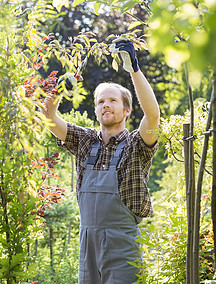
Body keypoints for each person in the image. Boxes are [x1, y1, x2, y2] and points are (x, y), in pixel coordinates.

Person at [43, 38, 160, 283]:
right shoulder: (85, 141)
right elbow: (48, 116)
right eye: (101, 102)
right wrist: (64, 83)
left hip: (123, 244)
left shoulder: (136, 145)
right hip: (89, 246)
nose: (106, 105)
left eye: (113, 100)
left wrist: (134, 70)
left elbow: (152, 114)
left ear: (127, 110)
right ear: (96, 110)